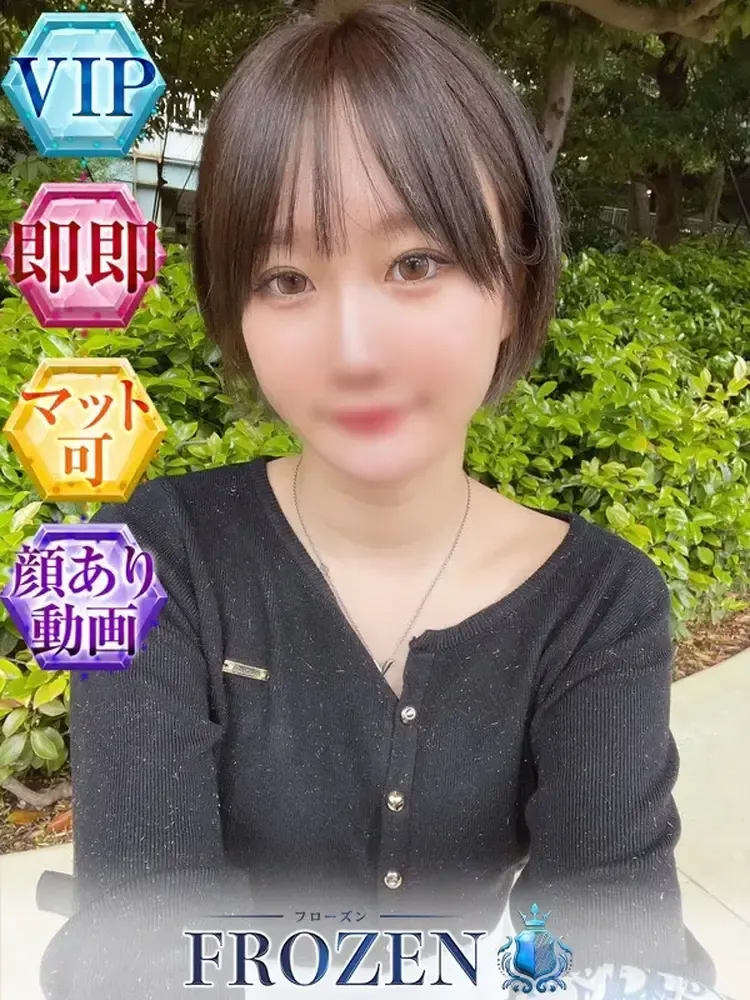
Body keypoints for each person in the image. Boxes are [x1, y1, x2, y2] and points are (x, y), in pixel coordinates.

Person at [40, 1, 727, 998]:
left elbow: (612, 947)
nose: (354, 351)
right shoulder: (148, 560)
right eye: (286, 278)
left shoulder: (598, 605)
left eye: (416, 263)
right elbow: (137, 943)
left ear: (513, 281)